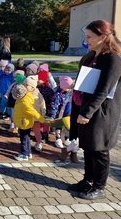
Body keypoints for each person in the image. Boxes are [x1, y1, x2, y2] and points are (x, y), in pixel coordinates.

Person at [68, 20, 121, 200]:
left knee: (99, 150)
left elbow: (104, 89)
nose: (86, 40)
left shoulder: (113, 59)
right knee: (88, 147)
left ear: (103, 37)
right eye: (86, 36)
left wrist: (87, 111)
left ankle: (100, 187)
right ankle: (88, 181)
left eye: (90, 37)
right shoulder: (90, 57)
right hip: (85, 108)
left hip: (101, 112)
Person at [12, 84, 50, 161]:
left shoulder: (24, 103)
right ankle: (28, 153)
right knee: (27, 138)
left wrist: (42, 120)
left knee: (24, 139)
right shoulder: (24, 98)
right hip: (25, 122)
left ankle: (24, 154)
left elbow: (34, 113)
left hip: (24, 123)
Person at [49, 76, 73, 148]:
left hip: (67, 113)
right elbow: (54, 105)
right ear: (63, 86)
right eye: (68, 87)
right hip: (59, 114)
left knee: (67, 126)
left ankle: (67, 138)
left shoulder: (69, 93)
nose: (69, 89)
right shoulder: (58, 95)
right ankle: (58, 139)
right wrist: (53, 115)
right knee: (58, 126)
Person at [24, 75, 46, 152]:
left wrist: (42, 115)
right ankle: (26, 144)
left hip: (36, 117)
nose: (24, 86)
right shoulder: (24, 93)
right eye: (24, 84)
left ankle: (39, 143)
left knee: (37, 131)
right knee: (26, 131)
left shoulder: (38, 94)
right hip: (27, 116)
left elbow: (42, 104)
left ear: (33, 87)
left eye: (26, 85)